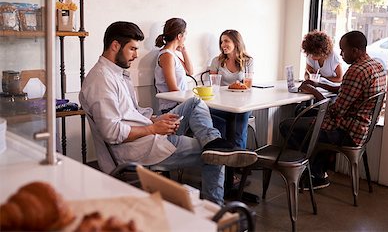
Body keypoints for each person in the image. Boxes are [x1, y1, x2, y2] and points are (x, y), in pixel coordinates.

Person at [79, 21, 257, 205]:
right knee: (214, 154)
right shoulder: (101, 80)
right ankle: (215, 210)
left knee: (195, 102)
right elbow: (112, 133)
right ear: (115, 45)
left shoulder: (117, 74)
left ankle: (214, 141)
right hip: (136, 149)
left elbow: (134, 113)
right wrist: (153, 129)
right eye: (132, 49)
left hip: (147, 134)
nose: (136, 55)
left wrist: (156, 119)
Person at [280, 30, 387, 189]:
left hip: (347, 131)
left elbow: (335, 111)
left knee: (287, 125)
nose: (342, 55)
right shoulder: (375, 65)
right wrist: (319, 85)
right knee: (305, 112)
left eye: (343, 50)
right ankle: (319, 166)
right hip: (363, 127)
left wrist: (314, 92)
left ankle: (313, 173)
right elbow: (347, 91)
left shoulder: (356, 71)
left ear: (355, 51)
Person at [209, 29, 254, 149]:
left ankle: (239, 159)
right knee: (207, 112)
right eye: (221, 42)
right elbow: (213, 85)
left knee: (239, 119)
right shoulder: (217, 61)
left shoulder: (248, 61)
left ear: (236, 42)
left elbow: (248, 85)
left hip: (242, 104)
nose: (223, 45)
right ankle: (222, 153)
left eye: (226, 41)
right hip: (222, 104)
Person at [154, 18, 194, 114]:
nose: (185, 38)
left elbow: (190, 71)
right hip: (172, 107)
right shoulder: (167, 56)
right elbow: (173, 89)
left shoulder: (172, 54)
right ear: (179, 36)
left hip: (180, 104)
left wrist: (184, 51)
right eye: (185, 34)